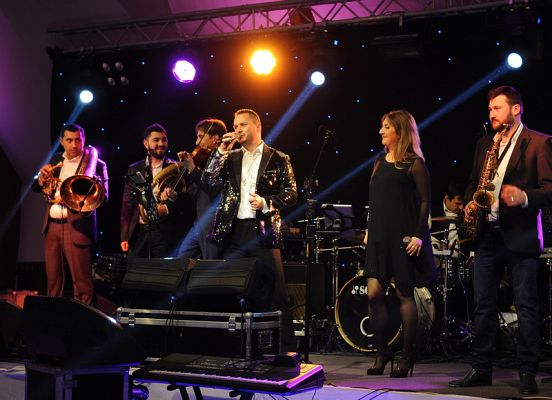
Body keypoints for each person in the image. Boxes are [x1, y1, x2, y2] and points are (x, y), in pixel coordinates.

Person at [449, 86, 552, 395]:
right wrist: (471, 200)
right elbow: (473, 182)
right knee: (483, 306)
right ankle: (481, 368)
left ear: (516, 109)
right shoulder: (485, 144)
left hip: (520, 235)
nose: (491, 113)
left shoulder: (539, 142)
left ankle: (527, 372)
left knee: (526, 306)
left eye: (497, 108)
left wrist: (524, 196)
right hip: (487, 236)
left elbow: (549, 189)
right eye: (490, 108)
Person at [204, 108, 297, 349]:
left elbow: (291, 193)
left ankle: (286, 349)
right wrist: (220, 151)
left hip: (263, 231)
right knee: (231, 290)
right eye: (235, 125)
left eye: (243, 125)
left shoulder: (278, 158)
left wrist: (266, 203)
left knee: (275, 292)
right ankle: (234, 348)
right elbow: (208, 181)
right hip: (233, 231)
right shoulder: (230, 157)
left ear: (257, 126)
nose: (237, 129)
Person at [364, 110, 437, 378]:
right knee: (373, 294)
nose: (381, 131)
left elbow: (426, 202)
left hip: (404, 237)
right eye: (381, 126)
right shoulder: (379, 162)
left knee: (404, 294)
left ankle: (407, 356)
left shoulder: (414, 164)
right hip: (379, 236)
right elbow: (375, 200)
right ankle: (382, 351)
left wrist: (418, 235)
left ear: (400, 131)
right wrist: (369, 228)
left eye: (386, 127)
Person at [32, 123, 108, 306]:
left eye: (78, 140)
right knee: (53, 281)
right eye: (69, 140)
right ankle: (53, 317)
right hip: (52, 227)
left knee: (82, 282)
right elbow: (35, 187)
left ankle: (84, 318)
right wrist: (42, 179)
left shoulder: (96, 164)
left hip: (77, 227)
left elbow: (104, 197)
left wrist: (85, 189)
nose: (74, 145)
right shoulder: (55, 159)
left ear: (84, 140)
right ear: (61, 141)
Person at [120, 123, 192, 258]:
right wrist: (124, 236)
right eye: (156, 140)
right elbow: (127, 203)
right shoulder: (134, 169)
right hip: (140, 232)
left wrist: (171, 199)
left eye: (164, 140)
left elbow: (186, 198)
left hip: (166, 232)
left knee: (163, 270)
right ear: (146, 143)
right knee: (135, 268)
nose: (161, 144)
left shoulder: (176, 167)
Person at [177, 118, 226, 259]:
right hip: (199, 223)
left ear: (214, 138)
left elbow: (213, 188)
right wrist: (176, 195)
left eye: (200, 136)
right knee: (181, 261)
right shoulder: (204, 161)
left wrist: (192, 168)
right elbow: (195, 192)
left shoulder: (223, 159)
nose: (197, 142)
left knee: (211, 265)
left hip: (212, 224)